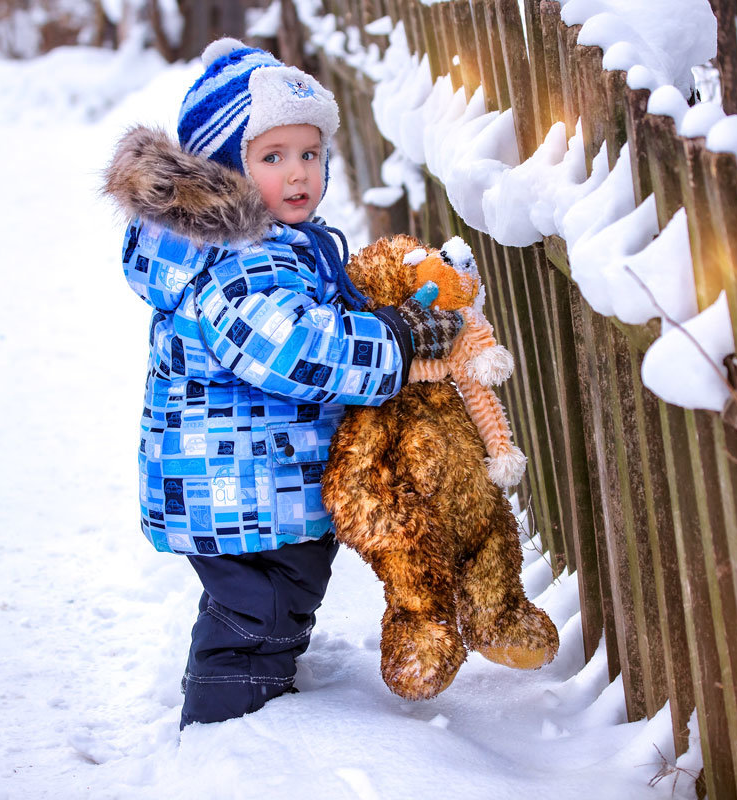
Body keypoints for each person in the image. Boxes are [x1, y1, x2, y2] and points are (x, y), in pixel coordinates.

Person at [103, 37, 464, 727]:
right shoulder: (241, 259)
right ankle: (229, 733)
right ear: (221, 170)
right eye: (271, 158)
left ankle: (244, 696)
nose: (298, 174)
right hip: (243, 493)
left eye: (310, 154)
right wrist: (394, 338)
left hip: (252, 486)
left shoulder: (269, 243)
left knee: (267, 609)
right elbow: (293, 347)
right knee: (259, 617)